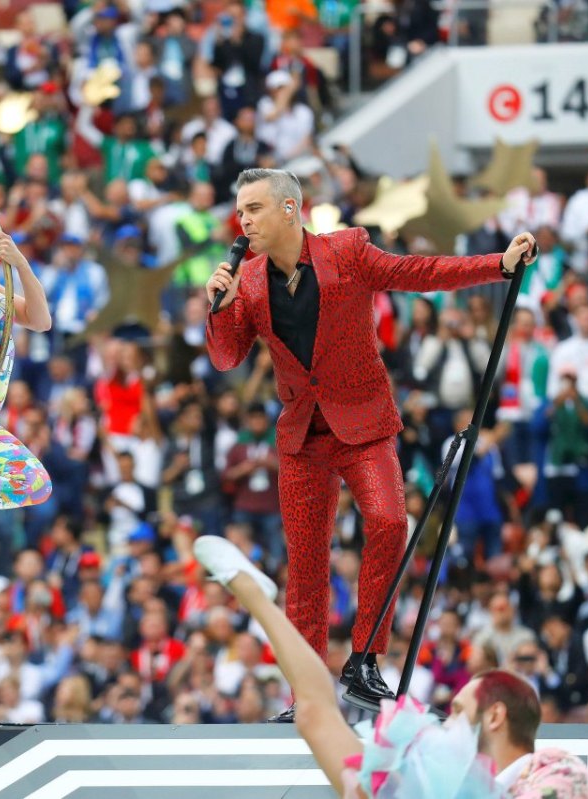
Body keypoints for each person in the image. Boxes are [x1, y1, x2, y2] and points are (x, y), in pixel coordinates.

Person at [203, 167, 538, 716]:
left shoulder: (348, 250)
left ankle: (364, 660)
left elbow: (418, 271)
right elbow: (226, 357)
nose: (244, 221)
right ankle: (307, 694)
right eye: (241, 212)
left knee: (387, 521)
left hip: (363, 422)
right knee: (306, 567)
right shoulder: (250, 279)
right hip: (302, 435)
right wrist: (217, 308)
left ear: (290, 209)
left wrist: (496, 265)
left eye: (254, 209)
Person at [192, 535, 588, 799]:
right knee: (315, 717)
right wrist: (255, 602)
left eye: (458, 710)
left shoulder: (555, 770)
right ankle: (252, 589)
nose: (445, 720)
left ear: (495, 715)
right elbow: (316, 711)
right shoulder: (428, 787)